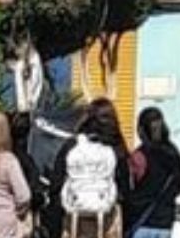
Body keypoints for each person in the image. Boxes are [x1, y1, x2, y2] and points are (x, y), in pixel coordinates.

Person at [43, 99, 131, 238]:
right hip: (107, 221)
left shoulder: (72, 145)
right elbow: (126, 189)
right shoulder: (116, 149)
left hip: (74, 221)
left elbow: (56, 186)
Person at [124, 108, 180, 238]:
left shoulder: (139, 156)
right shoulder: (174, 154)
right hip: (166, 223)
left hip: (142, 222)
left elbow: (130, 186)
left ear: (141, 130)